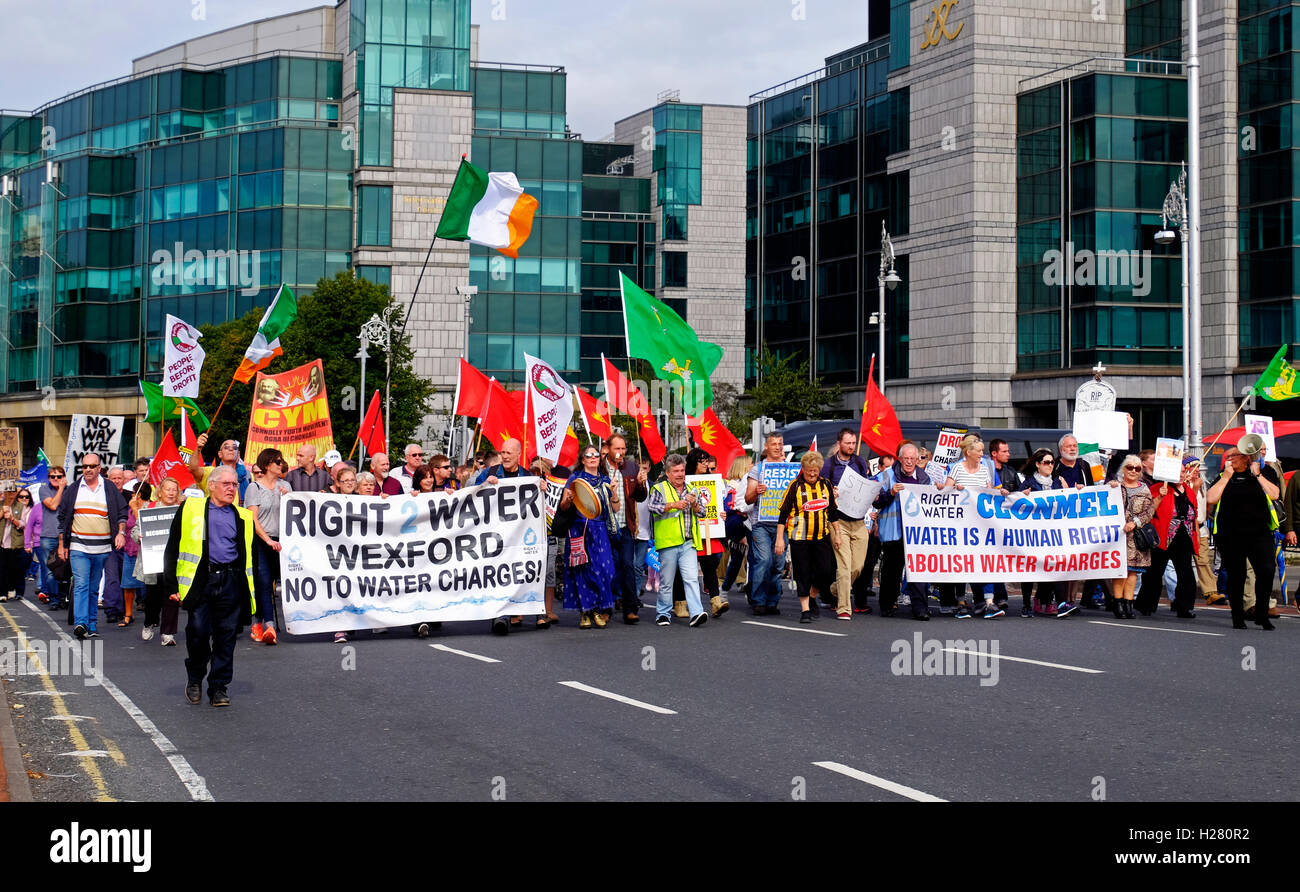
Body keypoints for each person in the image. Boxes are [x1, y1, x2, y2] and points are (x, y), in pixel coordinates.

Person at [164, 465, 256, 707]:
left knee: (226, 637)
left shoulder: (244, 516)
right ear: (211, 485)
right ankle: (195, 677)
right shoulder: (190, 508)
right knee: (198, 633)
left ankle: (218, 687)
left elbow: (248, 556)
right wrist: (170, 584)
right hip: (201, 582)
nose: (231, 488)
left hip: (231, 582)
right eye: (226, 484)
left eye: (235, 484)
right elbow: (173, 545)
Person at [1206, 444, 1281, 631]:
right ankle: (1237, 615)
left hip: (1259, 532)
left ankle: (1262, 614)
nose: (1229, 460)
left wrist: (1258, 475)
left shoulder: (1264, 472)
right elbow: (1211, 498)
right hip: (1230, 534)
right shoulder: (1224, 476)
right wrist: (1226, 477)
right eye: (1228, 457)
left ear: (1246, 457)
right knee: (1237, 575)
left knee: (1266, 570)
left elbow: (1275, 494)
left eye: (1233, 456)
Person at [58, 453, 129, 640]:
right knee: (81, 584)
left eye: (92, 466)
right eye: (85, 466)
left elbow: (122, 512)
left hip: (102, 548)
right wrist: (61, 544)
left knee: (93, 587)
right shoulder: (74, 489)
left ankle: (91, 624)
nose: (88, 469)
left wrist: (121, 533)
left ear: (99, 468)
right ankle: (80, 623)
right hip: (78, 546)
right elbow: (62, 517)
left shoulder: (109, 489)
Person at [938, 434, 1005, 618]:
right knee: (963, 561)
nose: (982, 454)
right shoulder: (957, 469)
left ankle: (989, 602)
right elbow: (944, 493)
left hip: (981, 524)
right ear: (968, 452)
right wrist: (953, 488)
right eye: (979, 451)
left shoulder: (984, 470)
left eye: (983, 451)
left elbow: (989, 492)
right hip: (960, 524)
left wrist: (1002, 493)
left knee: (986, 560)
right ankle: (960, 601)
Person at [775, 451, 842, 624]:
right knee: (803, 572)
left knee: (825, 571)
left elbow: (833, 512)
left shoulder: (825, 484)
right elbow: (783, 515)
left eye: (815, 470)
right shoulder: (795, 486)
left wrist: (838, 535)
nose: (812, 474)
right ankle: (805, 609)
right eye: (809, 470)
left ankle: (812, 595)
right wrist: (779, 539)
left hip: (821, 535)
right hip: (800, 536)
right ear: (803, 469)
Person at [872, 441, 937, 619]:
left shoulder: (926, 479)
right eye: (905, 458)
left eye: (912, 458)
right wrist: (890, 493)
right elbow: (875, 501)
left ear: (917, 459)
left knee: (918, 571)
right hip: (894, 531)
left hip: (917, 533)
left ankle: (920, 609)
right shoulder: (886, 476)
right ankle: (887, 605)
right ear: (899, 459)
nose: (909, 462)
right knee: (891, 572)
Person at [560, 446, 618, 629]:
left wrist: (614, 492)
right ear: (583, 459)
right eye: (588, 455)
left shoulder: (606, 480)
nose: (593, 458)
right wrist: (567, 500)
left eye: (595, 455)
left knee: (605, 570)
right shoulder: (574, 479)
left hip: (600, 530)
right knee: (583, 571)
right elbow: (563, 507)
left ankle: (597, 608)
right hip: (579, 530)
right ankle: (587, 612)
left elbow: (616, 509)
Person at [649, 453, 710, 627]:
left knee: (691, 579)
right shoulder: (659, 488)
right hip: (668, 542)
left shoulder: (692, 489)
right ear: (668, 473)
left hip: (688, 542)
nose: (680, 474)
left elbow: (703, 512)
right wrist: (673, 505)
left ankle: (696, 613)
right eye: (676, 471)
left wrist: (694, 504)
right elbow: (652, 508)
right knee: (667, 582)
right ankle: (663, 613)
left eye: (682, 470)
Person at [819, 428, 873, 621]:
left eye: (853, 443)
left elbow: (865, 487)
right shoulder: (829, 466)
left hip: (857, 521)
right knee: (843, 566)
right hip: (837, 521)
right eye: (847, 443)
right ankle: (844, 608)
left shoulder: (859, 462)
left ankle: (835, 588)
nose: (851, 446)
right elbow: (820, 490)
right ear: (839, 443)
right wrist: (829, 493)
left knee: (857, 567)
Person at [1137, 456, 1201, 619]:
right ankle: (1146, 605)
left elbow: (1194, 515)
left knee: (1186, 573)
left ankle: (1184, 607)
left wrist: (1196, 536)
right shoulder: (1159, 487)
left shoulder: (1188, 490)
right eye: (1177, 472)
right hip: (1163, 536)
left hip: (1184, 536)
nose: (1181, 474)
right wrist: (1160, 496)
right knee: (1154, 573)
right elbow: (1148, 511)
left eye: (1182, 471)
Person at [243, 448, 291, 645]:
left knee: (280, 581)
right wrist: (268, 540)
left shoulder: (285, 485)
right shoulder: (254, 488)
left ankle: (258, 621)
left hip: (282, 540)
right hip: (262, 541)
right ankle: (268, 625)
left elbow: (295, 513)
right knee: (263, 581)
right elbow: (253, 519)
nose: (282, 465)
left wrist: (289, 497)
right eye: (278, 462)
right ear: (268, 465)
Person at [604, 435, 650, 623]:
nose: (621, 453)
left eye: (623, 449)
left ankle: (630, 608)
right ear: (607, 449)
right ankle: (605, 606)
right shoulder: (599, 467)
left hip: (625, 525)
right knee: (607, 566)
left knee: (628, 565)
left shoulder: (631, 467)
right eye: (617, 448)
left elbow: (640, 497)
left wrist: (640, 483)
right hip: (604, 526)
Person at [136, 477, 185, 645]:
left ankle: (168, 633)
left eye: (174, 490)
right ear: (160, 491)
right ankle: (149, 622)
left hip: (174, 563)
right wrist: (139, 535)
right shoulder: (149, 507)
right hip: (153, 560)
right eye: (168, 489)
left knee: (172, 596)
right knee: (152, 598)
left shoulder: (181, 510)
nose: (171, 493)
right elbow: (135, 529)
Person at [745, 433, 789, 616]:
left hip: (782, 524)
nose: (778, 447)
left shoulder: (789, 469)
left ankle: (772, 601)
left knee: (778, 564)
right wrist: (756, 491)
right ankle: (758, 600)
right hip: (761, 523)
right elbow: (748, 499)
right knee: (764, 560)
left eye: (780, 444)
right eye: (774, 444)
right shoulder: (758, 470)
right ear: (766, 447)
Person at [680, 448, 725, 619]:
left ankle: (715, 602)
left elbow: (718, 503)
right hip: (688, 530)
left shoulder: (713, 481)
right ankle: (681, 603)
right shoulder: (684, 481)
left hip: (707, 530)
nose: (706, 464)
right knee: (684, 570)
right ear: (694, 462)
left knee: (709, 565)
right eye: (702, 460)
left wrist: (722, 513)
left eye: (707, 460)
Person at [1019, 449, 1064, 616]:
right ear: (1037, 465)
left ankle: (1048, 600)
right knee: (1030, 568)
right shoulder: (1028, 483)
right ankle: (1026, 603)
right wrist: (1021, 495)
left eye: (1052, 462)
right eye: (1046, 462)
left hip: (1052, 533)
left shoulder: (1058, 482)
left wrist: (1075, 491)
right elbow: (1017, 504)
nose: (1050, 465)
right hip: (1032, 534)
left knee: (1051, 565)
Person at [1112, 456, 1154, 619]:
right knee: (1120, 572)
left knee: (1133, 573)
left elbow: (1150, 512)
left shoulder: (1144, 489)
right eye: (1130, 467)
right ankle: (1118, 603)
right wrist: (1111, 486)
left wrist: (1135, 523)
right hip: (1118, 536)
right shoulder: (1115, 487)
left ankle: (1129, 604)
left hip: (1136, 537)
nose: (1133, 471)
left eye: (1137, 468)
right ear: (1123, 469)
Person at [36, 465, 69, 608]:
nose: (56, 479)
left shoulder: (70, 491)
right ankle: (54, 599)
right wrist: (61, 489)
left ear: (64, 477)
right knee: (50, 570)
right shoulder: (44, 489)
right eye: (53, 476)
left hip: (66, 535)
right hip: (48, 536)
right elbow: (53, 505)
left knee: (66, 568)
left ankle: (63, 597)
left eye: (59, 476)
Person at [722, 455, 753, 595]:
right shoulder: (733, 486)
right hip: (738, 526)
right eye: (751, 463)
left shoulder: (748, 482)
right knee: (738, 560)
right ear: (744, 467)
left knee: (744, 560)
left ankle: (750, 590)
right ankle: (724, 589)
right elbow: (730, 508)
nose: (754, 466)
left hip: (746, 524)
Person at [189, 435, 252, 501]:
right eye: (226, 447)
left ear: (238, 454)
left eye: (234, 447)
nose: (231, 449)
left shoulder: (248, 476)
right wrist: (198, 449)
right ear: (220, 454)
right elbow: (193, 469)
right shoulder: (212, 472)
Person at [0, 491, 33, 602]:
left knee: (13, 568)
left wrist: (12, 518)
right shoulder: (1, 504)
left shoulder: (20, 506)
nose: (11, 494)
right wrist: (2, 512)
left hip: (15, 542)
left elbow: (23, 524)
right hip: (2, 542)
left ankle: (12, 589)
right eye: (9, 492)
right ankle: (2, 593)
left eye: (14, 492)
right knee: (2, 568)